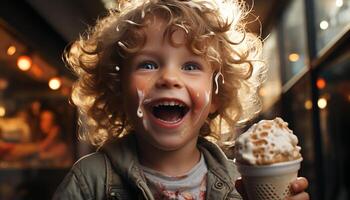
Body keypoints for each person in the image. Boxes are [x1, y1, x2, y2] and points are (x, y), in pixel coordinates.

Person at [53, 0, 310, 199]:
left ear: (217, 96)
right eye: (149, 64)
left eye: (190, 67)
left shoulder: (241, 186)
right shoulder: (89, 181)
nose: (169, 78)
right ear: (119, 89)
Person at [0, 109, 72, 167]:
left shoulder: (62, 147)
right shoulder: (40, 141)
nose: (44, 123)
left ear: (55, 123)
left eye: (48, 120)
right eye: (42, 120)